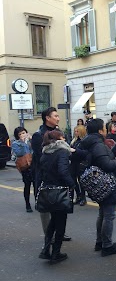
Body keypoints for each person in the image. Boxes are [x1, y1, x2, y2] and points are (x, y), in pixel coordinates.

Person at [80, 118, 116, 257]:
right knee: (109, 215)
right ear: (100, 131)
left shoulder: (92, 142)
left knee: (102, 213)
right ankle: (107, 245)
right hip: (105, 184)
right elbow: (107, 164)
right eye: (104, 129)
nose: (106, 131)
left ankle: (100, 241)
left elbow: (107, 156)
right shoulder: (98, 145)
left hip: (98, 184)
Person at [38, 130, 76, 264]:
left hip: (48, 190)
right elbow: (63, 171)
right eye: (62, 136)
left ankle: (46, 249)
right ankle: (56, 252)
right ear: (58, 139)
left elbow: (42, 172)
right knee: (60, 223)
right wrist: (72, 185)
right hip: (60, 191)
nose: (65, 138)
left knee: (53, 221)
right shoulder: (63, 152)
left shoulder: (45, 153)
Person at [31, 107, 69, 238]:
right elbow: (40, 157)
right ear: (47, 118)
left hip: (58, 175)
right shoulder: (38, 135)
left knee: (60, 205)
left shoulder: (59, 132)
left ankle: (59, 232)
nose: (58, 118)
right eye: (56, 116)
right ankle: (49, 237)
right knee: (46, 207)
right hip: (44, 176)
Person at [12, 127, 34, 212]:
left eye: (23, 133)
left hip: (33, 164)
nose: (22, 135)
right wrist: (23, 143)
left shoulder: (30, 141)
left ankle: (37, 202)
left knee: (36, 184)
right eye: (20, 134)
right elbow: (19, 153)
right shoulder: (15, 143)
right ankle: (27, 204)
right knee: (27, 185)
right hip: (25, 166)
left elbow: (34, 150)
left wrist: (31, 140)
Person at [70, 125, 87, 206]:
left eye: (77, 131)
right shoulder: (74, 141)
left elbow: (85, 153)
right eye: (75, 131)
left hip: (80, 162)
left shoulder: (84, 141)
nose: (76, 133)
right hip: (73, 162)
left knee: (81, 181)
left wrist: (75, 151)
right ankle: (78, 195)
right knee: (73, 180)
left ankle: (83, 197)